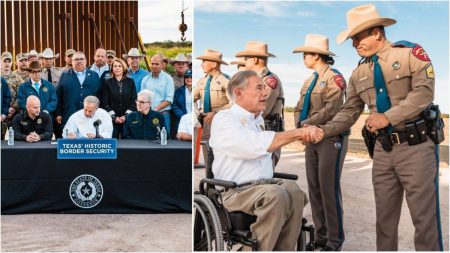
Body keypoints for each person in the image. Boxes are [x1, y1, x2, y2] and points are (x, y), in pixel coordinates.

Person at [306, 4, 443, 251]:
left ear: (377, 32)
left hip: (416, 148)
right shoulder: (359, 73)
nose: (353, 43)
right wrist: (323, 130)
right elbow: (349, 112)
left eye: (358, 36)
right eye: (352, 38)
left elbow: (424, 93)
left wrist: (387, 117)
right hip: (383, 151)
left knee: (424, 221)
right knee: (384, 221)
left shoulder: (410, 54)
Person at [210, 70, 311, 251]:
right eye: (259, 88)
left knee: (294, 191)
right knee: (276, 195)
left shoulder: (257, 121)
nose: (265, 93)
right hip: (235, 190)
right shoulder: (224, 119)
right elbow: (251, 147)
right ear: (239, 92)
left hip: (263, 185)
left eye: (264, 88)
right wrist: (297, 133)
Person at [293, 34, 348, 251]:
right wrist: (300, 124)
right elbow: (299, 106)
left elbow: (331, 109)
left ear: (316, 55)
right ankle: (321, 236)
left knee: (328, 189)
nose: (303, 57)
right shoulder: (309, 81)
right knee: (314, 188)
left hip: (329, 138)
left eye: (306, 54)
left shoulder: (335, 78)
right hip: (310, 138)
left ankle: (335, 240)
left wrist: (305, 123)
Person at [236, 41, 284, 167]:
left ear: (255, 60)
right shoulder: (253, 80)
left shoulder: (269, 81)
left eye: (247, 58)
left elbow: (261, 110)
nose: (244, 62)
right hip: (254, 132)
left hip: (266, 134)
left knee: (264, 173)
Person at [193, 49, 230, 164]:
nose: (201, 64)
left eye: (204, 61)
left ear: (213, 64)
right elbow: (191, 98)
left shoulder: (226, 81)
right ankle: (209, 177)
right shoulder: (202, 82)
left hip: (222, 121)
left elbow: (234, 102)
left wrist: (216, 112)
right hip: (207, 122)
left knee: (222, 150)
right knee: (206, 146)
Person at [56, 52, 101, 129]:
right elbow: (58, 95)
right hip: (69, 115)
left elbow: (99, 95)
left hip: (90, 116)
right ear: (72, 62)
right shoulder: (64, 75)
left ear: (86, 61)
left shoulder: (94, 75)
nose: (79, 61)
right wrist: (58, 113)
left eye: (81, 59)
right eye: (76, 59)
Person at [101, 58, 137, 138]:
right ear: (112, 68)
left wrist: (126, 116)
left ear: (123, 68)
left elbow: (134, 101)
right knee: (113, 142)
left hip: (128, 119)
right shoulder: (107, 83)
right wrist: (114, 117)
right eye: (115, 66)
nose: (117, 68)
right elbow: (105, 103)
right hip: (112, 119)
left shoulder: (131, 82)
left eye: (119, 66)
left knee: (128, 144)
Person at [141, 54, 174, 137]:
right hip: (148, 115)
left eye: (157, 64)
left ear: (162, 64)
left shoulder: (168, 78)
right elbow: (142, 98)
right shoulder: (145, 79)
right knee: (149, 138)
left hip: (163, 114)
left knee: (165, 138)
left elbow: (169, 99)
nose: (154, 66)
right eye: (152, 63)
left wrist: (155, 109)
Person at [1, 51, 24, 139]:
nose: (7, 64)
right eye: (4, 61)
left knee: (15, 139)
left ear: (12, 63)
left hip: (13, 114)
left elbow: (22, 95)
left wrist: (14, 108)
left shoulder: (17, 78)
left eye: (9, 61)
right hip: (1, 114)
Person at [172, 69, 192, 136]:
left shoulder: (197, 90)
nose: (189, 79)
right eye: (187, 77)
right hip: (182, 119)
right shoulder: (179, 90)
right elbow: (174, 105)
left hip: (194, 119)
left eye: (191, 77)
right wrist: (183, 116)